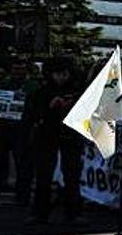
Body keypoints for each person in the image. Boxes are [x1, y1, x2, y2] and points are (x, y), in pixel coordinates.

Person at [29, 56, 85, 224]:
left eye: (64, 74)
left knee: (72, 175)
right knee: (43, 175)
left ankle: (74, 213)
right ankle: (40, 212)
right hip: (48, 135)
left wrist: (70, 104)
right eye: (57, 74)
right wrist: (50, 107)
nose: (61, 77)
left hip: (70, 135)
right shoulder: (43, 91)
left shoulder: (77, 90)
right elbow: (34, 114)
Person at [0, 58, 40, 206]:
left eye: (21, 69)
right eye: (16, 69)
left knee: (23, 163)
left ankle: (22, 197)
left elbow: (37, 107)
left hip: (23, 128)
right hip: (3, 127)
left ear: (26, 71)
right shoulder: (3, 84)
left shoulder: (33, 86)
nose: (18, 72)